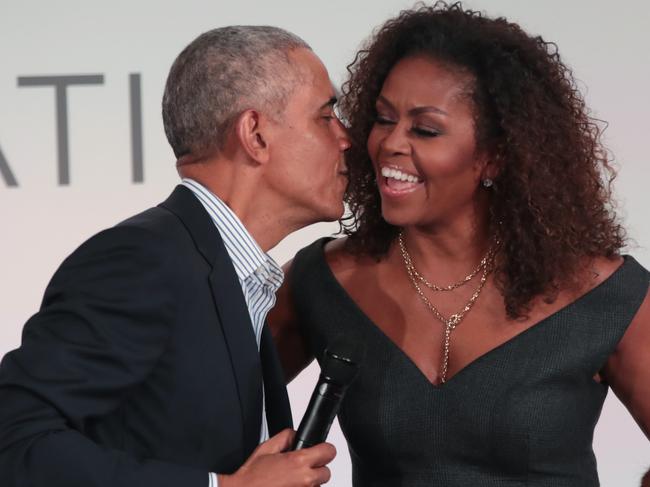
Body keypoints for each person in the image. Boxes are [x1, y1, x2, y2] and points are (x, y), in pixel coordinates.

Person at [269, 3, 650, 486]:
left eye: (425, 130)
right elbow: (197, 417)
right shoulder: (322, 281)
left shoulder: (608, 297)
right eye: (383, 120)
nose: (390, 144)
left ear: (495, 157)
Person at [0, 26, 350, 487]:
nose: (345, 138)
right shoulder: (140, 261)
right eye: (326, 115)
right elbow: (14, 441)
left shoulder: (232, 274)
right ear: (255, 134)